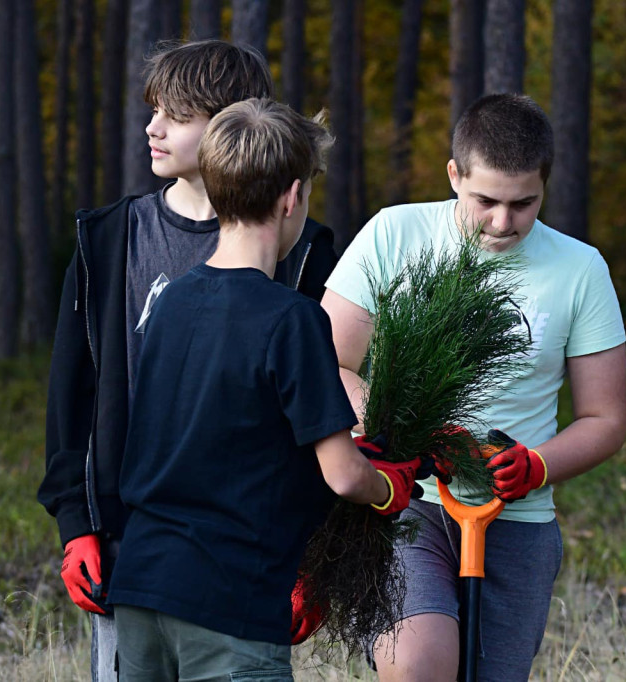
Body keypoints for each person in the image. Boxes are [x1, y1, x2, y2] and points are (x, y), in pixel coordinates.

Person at [37, 40, 337, 682]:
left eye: (176, 114)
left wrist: (314, 555)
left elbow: (319, 420)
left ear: (233, 123)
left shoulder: (301, 253)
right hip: (131, 552)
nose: (153, 127)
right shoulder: (110, 238)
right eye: (154, 111)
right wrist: (78, 523)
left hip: (248, 559)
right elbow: (73, 396)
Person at [106, 97, 428, 682]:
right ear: (292, 195)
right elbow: (344, 474)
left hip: (140, 585)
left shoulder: (171, 301)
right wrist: (390, 486)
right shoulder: (292, 319)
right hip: (229, 597)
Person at [320, 93, 626, 682]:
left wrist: (535, 466)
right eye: (485, 200)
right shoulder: (396, 233)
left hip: (515, 520)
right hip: (405, 502)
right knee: (416, 667)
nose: (503, 222)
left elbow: (605, 418)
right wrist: (396, 430)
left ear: (546, 185)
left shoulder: (580, 268)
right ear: (454, 175)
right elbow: (328, 364)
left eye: (524, 203)